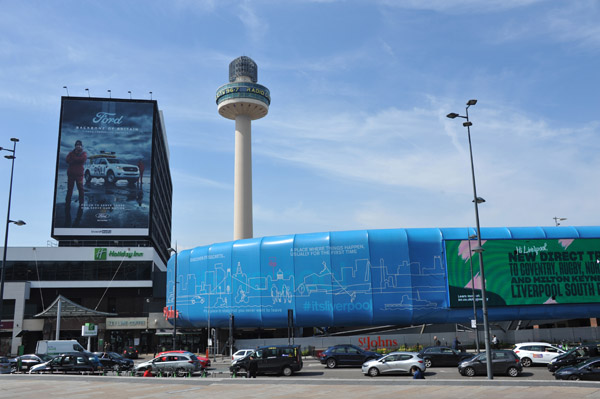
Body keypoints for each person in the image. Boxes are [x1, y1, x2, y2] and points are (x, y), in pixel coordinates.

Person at [65, 139, 87, 215]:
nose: (78, 146)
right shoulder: (71, 153)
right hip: (71, 174)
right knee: (69, 190)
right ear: (75, 146)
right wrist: (75, 160)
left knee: (81, 189)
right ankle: (67, 204)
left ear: (81, 146)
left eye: (79, 145)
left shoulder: (83, 153)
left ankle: (82, 204)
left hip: (79, 175)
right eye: (77, 145)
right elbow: (67, 160)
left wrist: (73, 160)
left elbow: (82, 159)